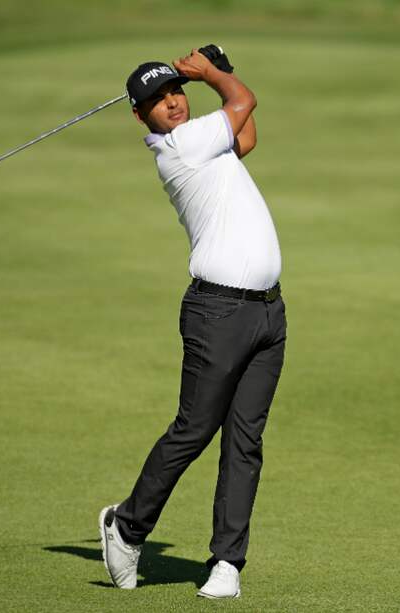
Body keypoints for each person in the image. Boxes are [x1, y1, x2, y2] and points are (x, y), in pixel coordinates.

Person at [99, 46, 286, 600]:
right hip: (218, 311)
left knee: (245, 441)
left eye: (175, 91)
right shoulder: (180, 147)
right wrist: (215, 75)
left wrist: (211, 78)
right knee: (195, 429)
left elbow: (246, 133)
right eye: (157, 101)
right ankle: (127, 527)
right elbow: (244, 99)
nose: (172, 104)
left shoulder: (207, 144)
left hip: (268, 312)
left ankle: (227, 563)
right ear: (141, 117)